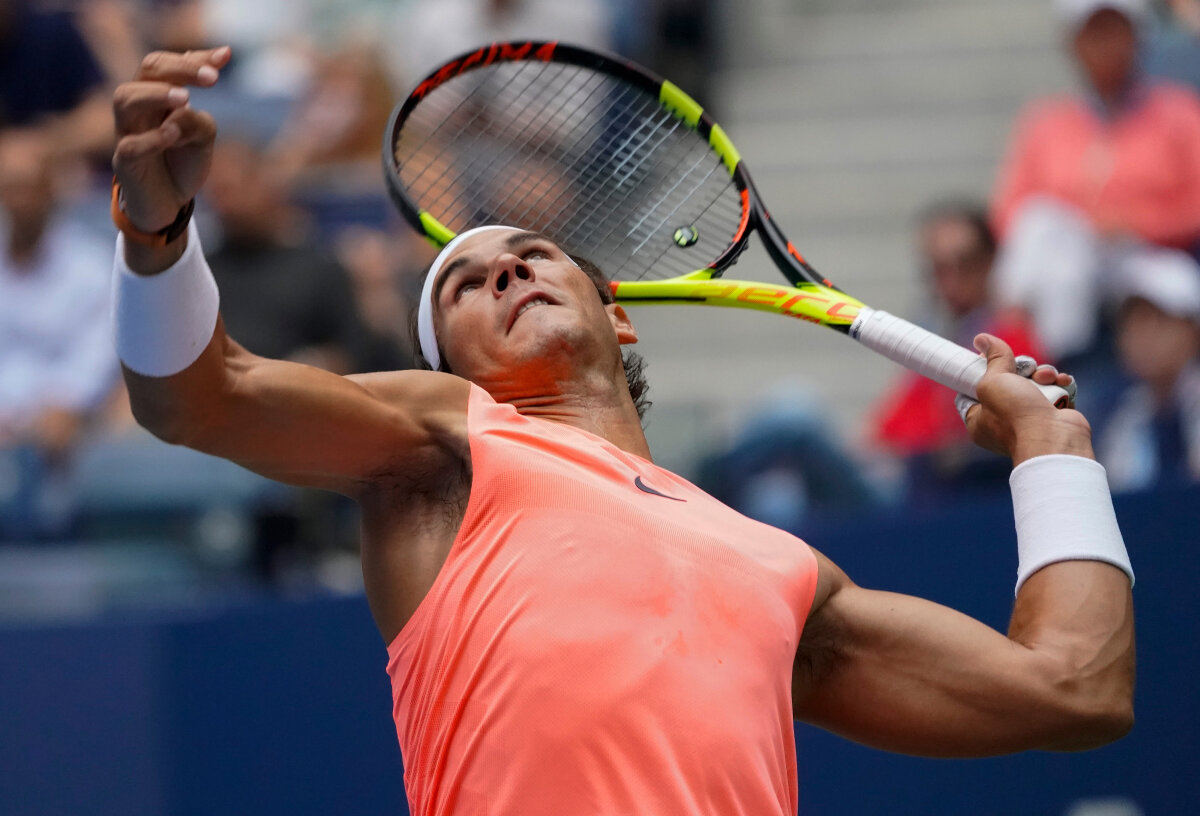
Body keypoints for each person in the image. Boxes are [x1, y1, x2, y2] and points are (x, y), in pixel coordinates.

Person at [111, 48, 1136, 816]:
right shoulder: (443, 450)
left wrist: (1056, 454)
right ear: (444, 369)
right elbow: (199, 398)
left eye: (532, 255)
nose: (504, 270)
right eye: (463, 285)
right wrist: (154, 234)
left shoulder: (781, 568)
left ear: (619, 312)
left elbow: (1075, 689)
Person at [990, 0, 1200, 366]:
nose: (1105, 46)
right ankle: (1044, 363)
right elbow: (1010, 209)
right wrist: (1081, 225)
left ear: (1137, 37)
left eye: (1115, 31)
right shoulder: (1046, 122)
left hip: (1150, 258)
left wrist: (1136, 225)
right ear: (1073, 42)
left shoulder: (1180, 113)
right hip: (1070, 261)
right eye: (1094, 34)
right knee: (1041, 230)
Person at [871, 201, 1049, 501]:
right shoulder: (934, 335)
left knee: (794, 420)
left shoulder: (1013, 342)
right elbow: (882, 434)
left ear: (991, 261)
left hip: (947, 494)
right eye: (939, 269)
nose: (951, 282)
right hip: (900, 483)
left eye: (964, 264)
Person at [1094, 254, 1200, 490]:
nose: (1141, 336)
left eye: (1157, 321)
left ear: (1192, 330)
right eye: (1131, 322)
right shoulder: (1120, 416)